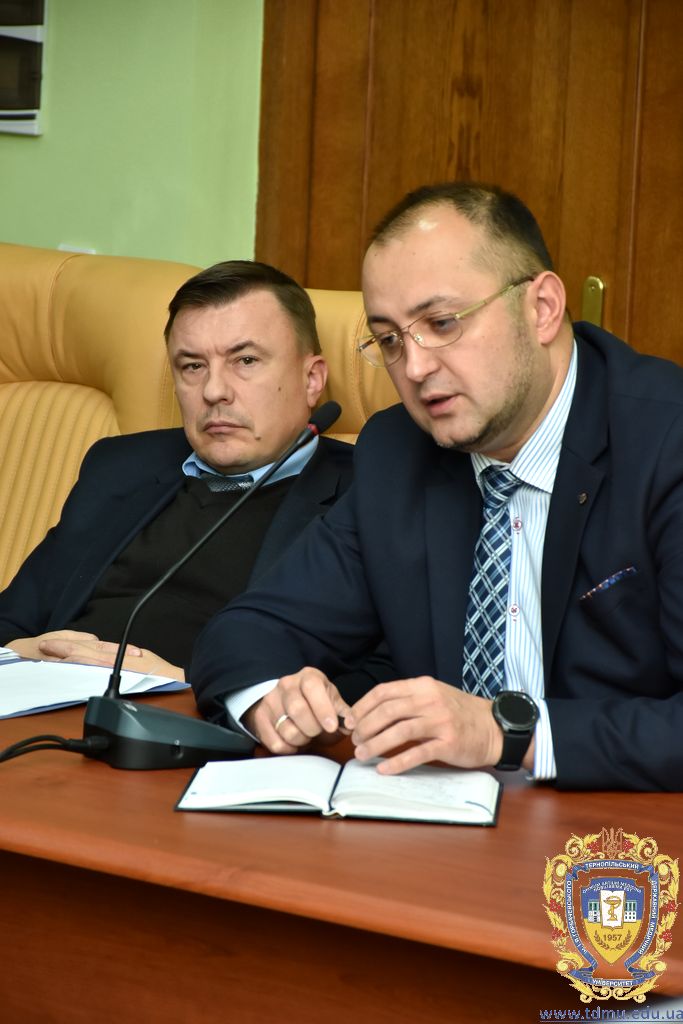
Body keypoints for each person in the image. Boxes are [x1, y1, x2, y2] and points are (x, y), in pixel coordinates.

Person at [190, 182, 683, 792]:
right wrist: (273, 698)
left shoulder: (664, 441)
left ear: (542, 308)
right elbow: (244, 632)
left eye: (443, 323)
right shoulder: (398, 452)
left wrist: (509, 734)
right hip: (433, 819)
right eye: (390, 340)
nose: (416, 368)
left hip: (617, 831)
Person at [0, 259, 387, 697]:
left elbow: (380, 680)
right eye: (192, 366)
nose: (214, 391)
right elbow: (12, 618)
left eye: (245, 360)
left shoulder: (369, 494)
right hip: (42, 699)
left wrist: (188, 686)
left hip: (201, 722)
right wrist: (26, 652)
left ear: (312, 379)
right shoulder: (120, 466)